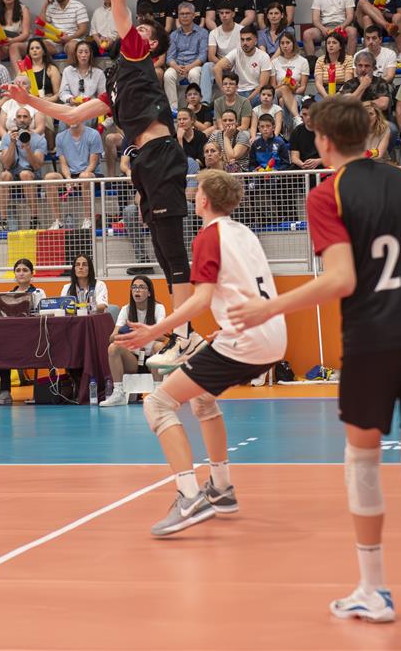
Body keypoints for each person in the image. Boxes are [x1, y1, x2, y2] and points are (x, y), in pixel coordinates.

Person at [223, 97, 401, 640]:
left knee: (361, 460)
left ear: (325, 142)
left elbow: (341, 280)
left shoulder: (326, 193)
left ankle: (374, 590)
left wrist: (268, 308)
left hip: (374, 337)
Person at [6, 0, 201, 367]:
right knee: (161, 250)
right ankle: (181, 334)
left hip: (161, 153)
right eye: (138, 28)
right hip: (145, 162)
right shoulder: (114, 83)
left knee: (173, 251)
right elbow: (72, 114)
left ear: (150, 45)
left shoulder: (136, 53)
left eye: (145, 31)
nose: (136, 30)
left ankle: (186, 335)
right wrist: (28, 99)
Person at [114, 169, 286, 535]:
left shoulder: (209, 236)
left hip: (246, 338)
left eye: (196, 190)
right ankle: (221, 488)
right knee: (202, 399)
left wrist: (155, 330)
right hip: (272, 334)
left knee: (158, 403)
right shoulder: (245, 233)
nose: (192, 194)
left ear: (204, 199)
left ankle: (189, 495)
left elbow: (202, 299)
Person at [0, 258, 45, 405]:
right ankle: (2, 391)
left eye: (25, 270)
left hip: (31, 338)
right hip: (11, 337)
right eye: (18, 270)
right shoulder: (7, 294)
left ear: (32, 274)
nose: (21, 273)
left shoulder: (38, 292)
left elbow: (41, 314)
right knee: (2, 344)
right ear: (14, 274)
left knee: (3, 345)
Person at [100, 274, 168, 407]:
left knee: (159, 346)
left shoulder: (158, 308)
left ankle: (158, 393)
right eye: (134, 287)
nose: (137, 290)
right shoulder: (126, 309)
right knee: (113, 347)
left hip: (151, 359)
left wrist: (142, 333)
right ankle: (118, 393)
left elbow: (162, 336)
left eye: (141, 287)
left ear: (149, 292)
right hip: (132, 359)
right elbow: (112, 337)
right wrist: (125, 333)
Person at [0, 0, 31, 68]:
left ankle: (20, 74)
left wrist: (12, 41)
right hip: (5, 45)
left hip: (21, 43)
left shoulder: (23, 9)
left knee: (13, 46)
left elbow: (26, 34)